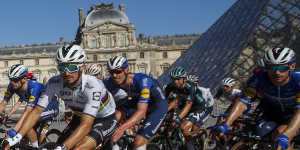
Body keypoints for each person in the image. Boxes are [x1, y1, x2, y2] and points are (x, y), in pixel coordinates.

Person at [2, 44, 117, 150]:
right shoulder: (54, 83)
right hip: (79, 115)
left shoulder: (93, 85)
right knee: (59, 143)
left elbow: (86, 125)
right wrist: (14, 139)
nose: (66, 73)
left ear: (82, 67)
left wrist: (63, 148)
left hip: (104, 118)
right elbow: (36, 112)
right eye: (62, 68)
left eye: (71, 67)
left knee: (77, 148)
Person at [217, 47, 300, 150]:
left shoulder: (298, 80)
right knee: (258, 134)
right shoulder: (258, 78)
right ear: (266, 67)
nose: (277, 72)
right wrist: (226, 125)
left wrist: (287, 135)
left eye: (282, 68)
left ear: (291, 66)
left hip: (293, 114)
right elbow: (243, 101)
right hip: (271, 111)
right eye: (272, 68)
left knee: (281, 136)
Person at [104, 56, 168, 150]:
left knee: (139, 141)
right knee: (113, 118)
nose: (114, 75)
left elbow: (141, 112)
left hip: (157, 105)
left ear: (127, 70)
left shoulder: (142, 81)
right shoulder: (111, 81)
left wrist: (121, 129)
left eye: (118, 71)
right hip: (137, 102)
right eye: (111, 72)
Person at [0, 64, 59, 147]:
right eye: (10, 80)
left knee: (27, 125)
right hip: (36, 109)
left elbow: (28, 111)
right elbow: (3, 103)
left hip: (50, 107)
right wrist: (6, 116)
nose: (12, 83)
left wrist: (13, 132)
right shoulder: (12, 86)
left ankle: (36, 147)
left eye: (15, 80)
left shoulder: (34, 86)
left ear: (24, 79)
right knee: (24, 135)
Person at [165, 66, 214, 150]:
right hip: (184, 107)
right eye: (173, 79)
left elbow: (188, 105)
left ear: (184, 79)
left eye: (177, 79)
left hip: (198, 108)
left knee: (184, 127)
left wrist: (178, 118)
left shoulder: (191, 86)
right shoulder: (170, 86)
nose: (175, 81)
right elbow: (166, 102)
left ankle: (193, 146)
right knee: (169, 129)